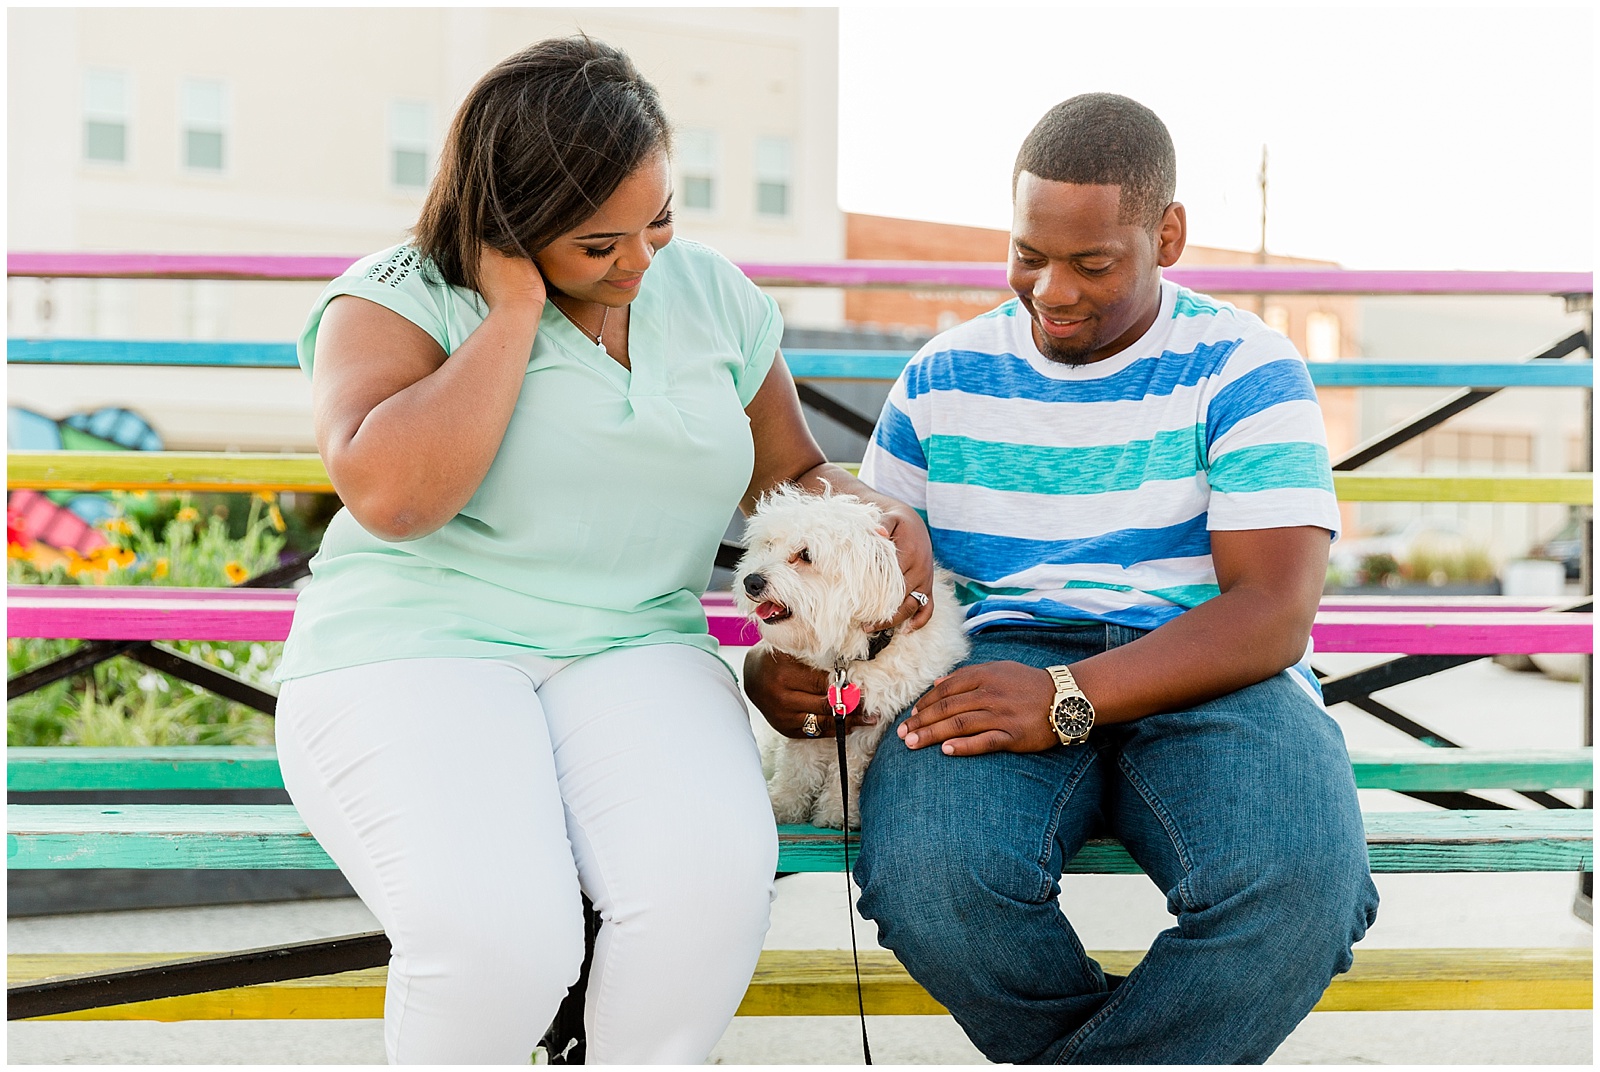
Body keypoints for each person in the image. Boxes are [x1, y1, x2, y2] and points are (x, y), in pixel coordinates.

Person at [272, 37, 933, 1065]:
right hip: (416, 645)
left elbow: (798, 466)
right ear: (510, 226)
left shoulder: (710, 293)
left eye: (659, 217)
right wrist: (512, 314)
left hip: (636, 648)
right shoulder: (395, 294)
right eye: (596, 243)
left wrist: (887, 518)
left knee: (705, 900)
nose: (640, 262)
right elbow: (393, 497)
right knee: (501, 941)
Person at [743, 93, 1380, 1064]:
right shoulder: (939, 380)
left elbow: (1271, 611)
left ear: (1166, 234)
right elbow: (866, 579)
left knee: (1300, 886)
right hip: (1000, 659)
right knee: (930, 878)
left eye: (1092, 263)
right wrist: (783, 669)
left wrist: (1069, 699)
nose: (1051, 290)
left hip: (1217, 666)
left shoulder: (1246, 367)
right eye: (1027, 255)